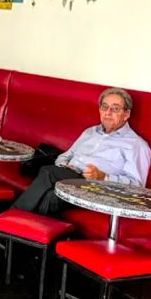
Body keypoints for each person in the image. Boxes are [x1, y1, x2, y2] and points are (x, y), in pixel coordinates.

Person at [13, 87, 151, 215]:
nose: (108, 113)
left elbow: (137, 187)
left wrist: (103, 177)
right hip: (67, 176)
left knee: (48, 172)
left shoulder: (137, 145)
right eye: (104, 107)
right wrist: (64, 166)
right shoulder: (90, 132)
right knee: (50, 196)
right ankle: (17, 233)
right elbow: (66, 155)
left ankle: (11, 218)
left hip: (96, 187)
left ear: (126, 114)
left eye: (115, 109)